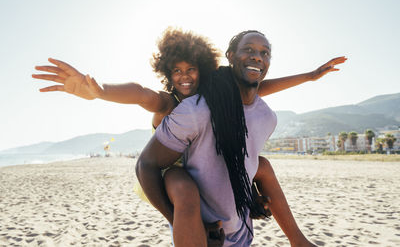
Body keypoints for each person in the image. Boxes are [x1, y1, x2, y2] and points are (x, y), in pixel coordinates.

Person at [33, 28, 346, 246]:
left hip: (206, 161)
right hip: (171, 168)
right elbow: (140, 95)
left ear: (205, 70)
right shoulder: (171, 103)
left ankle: (294, 237)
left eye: (191, 69)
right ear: (167, 75)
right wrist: (101, 91)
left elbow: (258, 86)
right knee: (184, 190)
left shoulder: (219, 92)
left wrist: (309, 76)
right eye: (176, 71)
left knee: (261, 166)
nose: (184, 77)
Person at [136, 30, 339, 247]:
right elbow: (145, 163)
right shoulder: (194, 109)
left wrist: (249, 193)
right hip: (199, 231)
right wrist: (175, 219)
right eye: (248, 50)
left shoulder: (266, 118)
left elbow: (257, 93)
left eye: (265, 53)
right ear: (230, 56)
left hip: (241, 234)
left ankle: (298, 241)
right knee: (181, 185)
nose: (257, 56)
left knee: (263, 166)